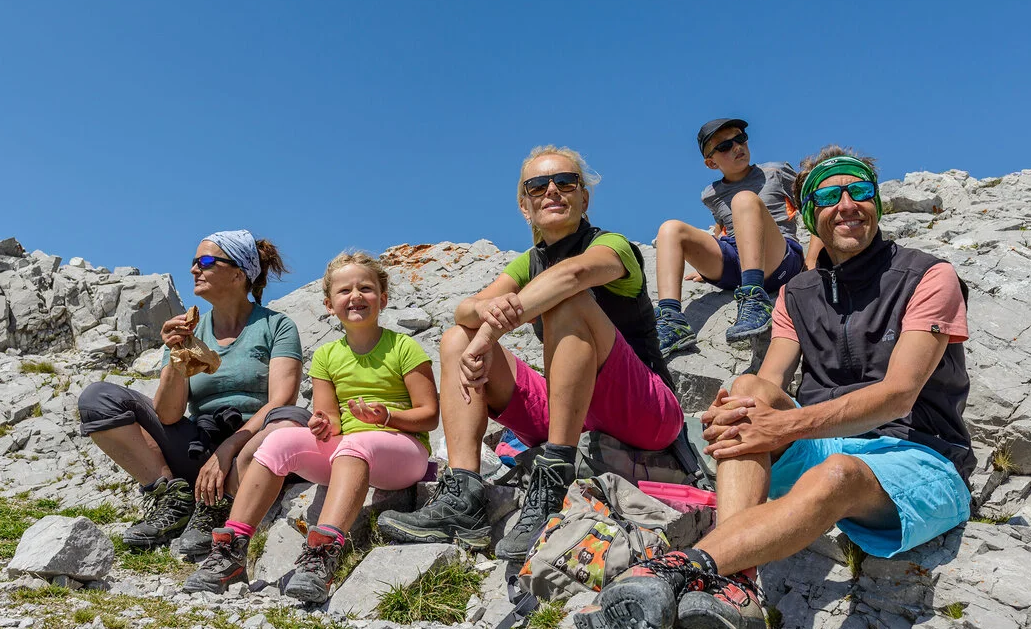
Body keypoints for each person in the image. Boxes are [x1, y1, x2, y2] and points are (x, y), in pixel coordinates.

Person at [590, 147, 975, 629]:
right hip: (824, 445)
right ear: (810, 213)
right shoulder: (797, 294)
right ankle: (740, 586)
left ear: (876, 201)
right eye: (830, 195)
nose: (848, 204)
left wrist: (786, 424)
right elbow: (768, 384)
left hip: (921, 456)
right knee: (747, 389)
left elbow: (900, 393)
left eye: (859, 190)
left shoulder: (928, 275)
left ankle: (674, 570)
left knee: (836, 472)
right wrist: (735, 413)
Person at [377, 145, 684, 561]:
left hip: (645, 408)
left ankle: (555, 478)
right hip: (572, 405)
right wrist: (483, 314)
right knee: (455, 339)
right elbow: (463, 309)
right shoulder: (528, 262)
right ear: (526, 206)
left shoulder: (612, 245)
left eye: (566, 182)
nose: (553, 191)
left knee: (568, 300)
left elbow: (573, 274)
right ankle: (463, 496)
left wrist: (492, 329)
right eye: (538, 185)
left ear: (584, 197)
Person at [183, 252, 438, 602]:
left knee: (356, 445)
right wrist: (321, 424)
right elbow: (330, 419)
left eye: (366, 288)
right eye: (344, 290)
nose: (355, 296)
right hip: (350, 450)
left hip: (404, 452)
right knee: (279, 441)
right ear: (329, 304)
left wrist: (387, 418)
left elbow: (429, 415)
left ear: (384, 298)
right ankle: (231, 550)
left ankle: (321, 557)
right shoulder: (326, 356)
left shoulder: (404, 346)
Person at [77, 230, 310, 554]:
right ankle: (174, 499)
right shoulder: (188, 331)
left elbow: (282, 400)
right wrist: (175, 355)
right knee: (97, 399)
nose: (193, 269)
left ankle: (220, 506)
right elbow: (169, 415)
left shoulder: (276, 326)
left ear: (238, 273)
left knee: (291, 418)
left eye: (206, 261)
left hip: (250, 450)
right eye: (194, 262)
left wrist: (227, 449)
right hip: (198, 446)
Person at [654, 118, 805, 356]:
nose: (737, 147)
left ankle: (755, 299)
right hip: (736, 262)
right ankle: (672, 319)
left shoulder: (776, 172)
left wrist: (816, 259)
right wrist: (706, 264)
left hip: (778, 258)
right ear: (711, 162)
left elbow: (815, 211)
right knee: (670, 228)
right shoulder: (711, 194)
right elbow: (721, 228)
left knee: (744, 199)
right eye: (724, 146)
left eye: (740, 139)